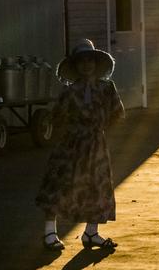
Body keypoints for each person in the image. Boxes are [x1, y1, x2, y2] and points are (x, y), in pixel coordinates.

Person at [36, 39, 124, 252]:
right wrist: (66, 134)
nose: (86, 65)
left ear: (96, 63)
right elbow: (56, 116)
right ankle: (50, 232)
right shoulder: (69, 91)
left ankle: (91, 232)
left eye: (90, 60)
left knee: (97, 186)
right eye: (81, 62)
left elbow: (117, 113)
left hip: (95, 144)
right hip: (70, 144)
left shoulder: (106, 87)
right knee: (58, 185)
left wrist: (101, 133)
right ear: (75, 66)